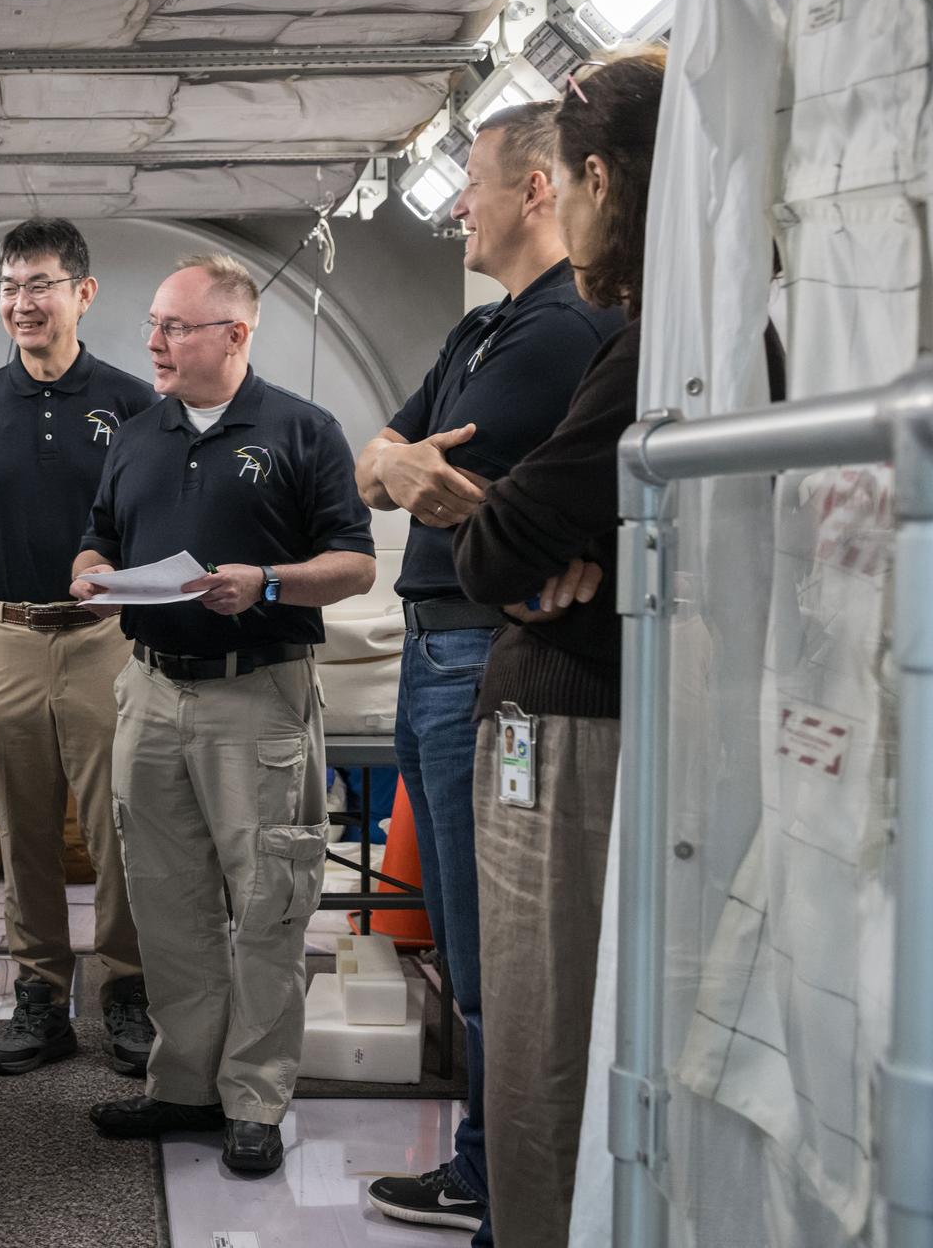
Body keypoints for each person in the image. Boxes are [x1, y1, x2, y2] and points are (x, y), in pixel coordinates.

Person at [456, 50, 783, 1248]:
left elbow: (498, 544)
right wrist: (552, 536)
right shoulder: (701, 329)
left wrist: (504, 529)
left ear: (596, 180)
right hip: (611, 711)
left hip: (577, 725)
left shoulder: (655, 345)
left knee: (544, 1031)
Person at [354, 101, 626, 1239]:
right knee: (465, 925)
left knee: (490, 940)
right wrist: (402, 466)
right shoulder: (481, 330)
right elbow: (374, 462)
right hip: (437, 645)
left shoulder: (565, 331)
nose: (456, 204)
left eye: (471, 181)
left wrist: (426, 479)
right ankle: (484, 1162)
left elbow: (500, 512)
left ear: (539, 189)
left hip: (483, 649)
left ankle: (496, 1173)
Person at [72, 254, 376, 1174]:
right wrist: (90, 572)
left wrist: (269, 581)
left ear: (235, 334)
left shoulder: (301, 429)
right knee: (167, 901)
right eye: (153, 325)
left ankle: (254, 1096)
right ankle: (184, 1085)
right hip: (151, 689)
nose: (154, 342)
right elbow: (99, 535)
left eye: (174, 326)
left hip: (259, 692)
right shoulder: (138, 433)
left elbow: (356, 563)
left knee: (269, 901)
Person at [0, 218, 156, 1076]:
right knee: (21, 830)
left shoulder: (134, 403)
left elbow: (151, 521)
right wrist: (11, 584)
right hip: (8, 638)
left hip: (105, 639)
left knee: (118, 827)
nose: (21, 302)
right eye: (9, 286)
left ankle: (128, 988)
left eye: (40, 285)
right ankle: (39, 993)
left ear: (82, 293)